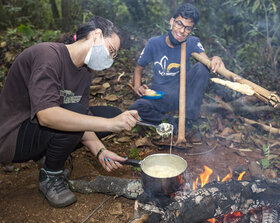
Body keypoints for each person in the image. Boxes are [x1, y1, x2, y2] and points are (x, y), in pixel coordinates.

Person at [0, 16, 140, 208]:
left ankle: (51, 153)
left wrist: (101, 151)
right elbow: (47, 116)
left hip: (38, 130)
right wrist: (111, 124)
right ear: (96, 35)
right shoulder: (47, 55)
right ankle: (51, 175)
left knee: (109, 112)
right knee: (89, 115)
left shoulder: (84, 72)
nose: (110, 59)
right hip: (13, 137)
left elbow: (83, 119)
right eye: (111, 51)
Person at [129, 3, 225, 144]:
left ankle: (189, 120)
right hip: (159, 96)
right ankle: (172, 123)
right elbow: (139, 68)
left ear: (191, 30)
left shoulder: (192, 42)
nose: (182, 31)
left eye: (188, 28)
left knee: (201, 68)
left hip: (182, 94)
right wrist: (137, 86)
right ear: (172, 21)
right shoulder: (154, 43)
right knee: (136, 108)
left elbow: (207, 62)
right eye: (179, 24)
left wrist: (215, 59)